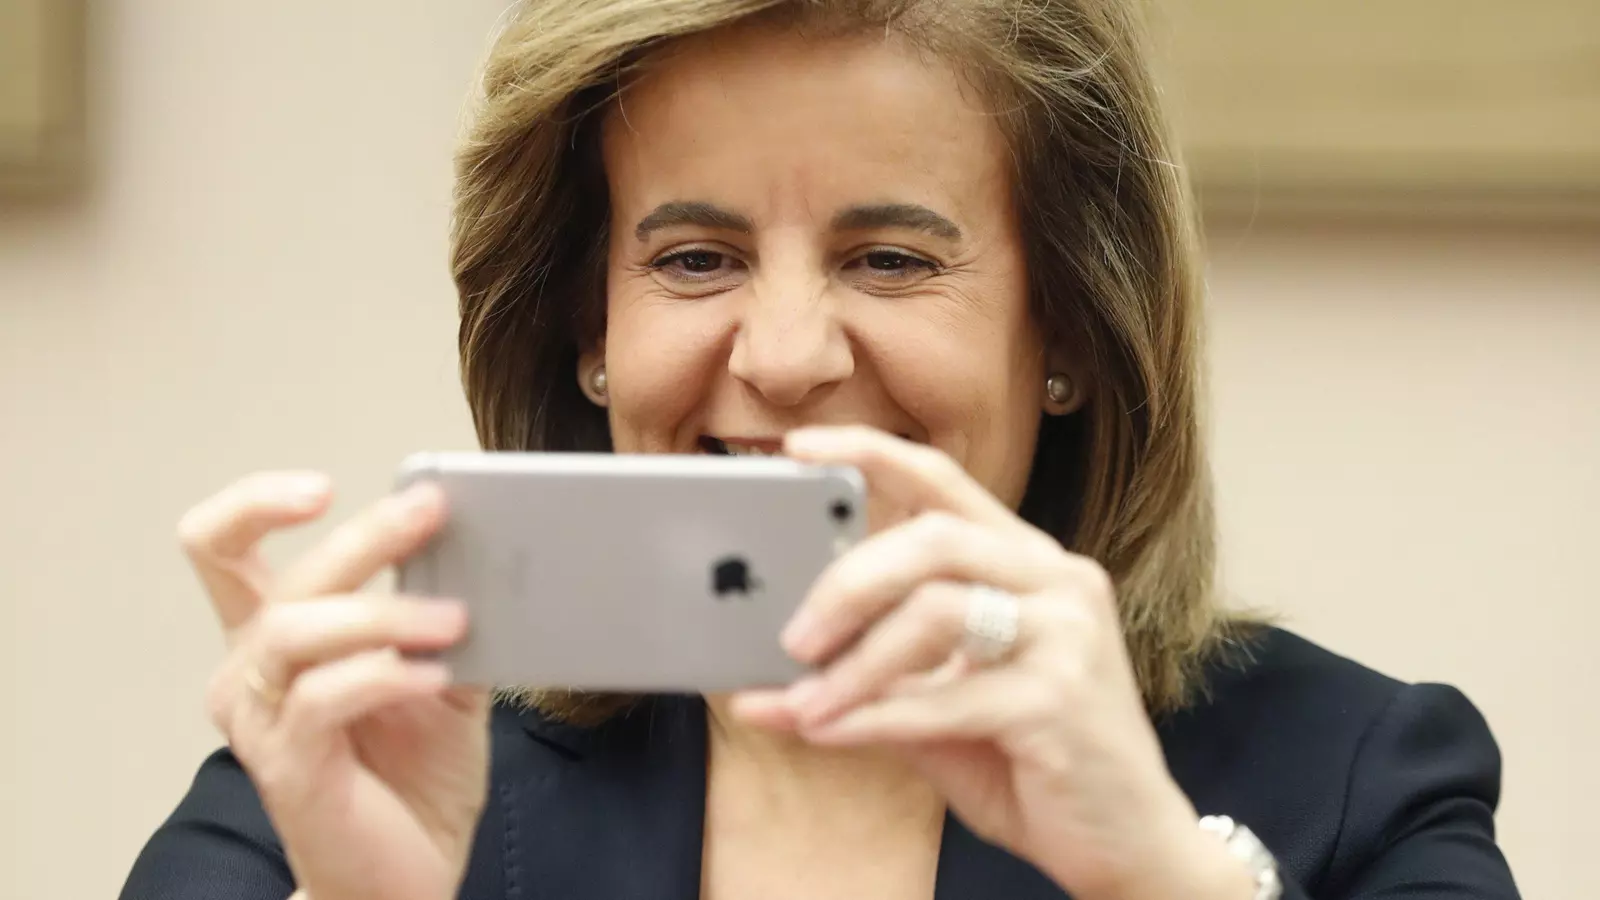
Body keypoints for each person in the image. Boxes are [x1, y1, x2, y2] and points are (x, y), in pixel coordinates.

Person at [119, 1, 1521, 898]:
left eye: (891, 258)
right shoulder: (334, 778)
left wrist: (1157, 880)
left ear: (1071, 337)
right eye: (695, 256)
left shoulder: (1361, 782)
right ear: (588, 329)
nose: (786, 356)